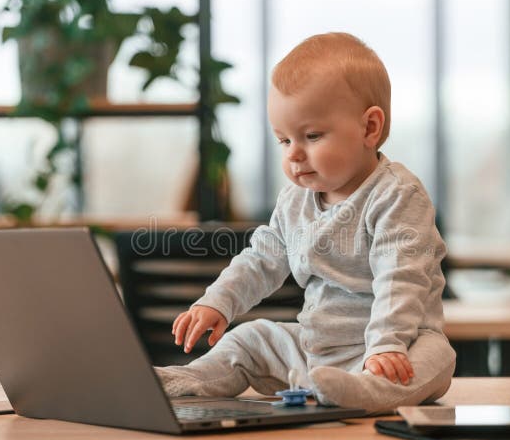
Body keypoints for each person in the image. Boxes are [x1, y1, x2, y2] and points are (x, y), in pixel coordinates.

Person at [156, 32, 455, 413]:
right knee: (251, 337)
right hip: (316, 349)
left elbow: (401, 280)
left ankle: (364, 391)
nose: (294, 155)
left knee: (435, 358)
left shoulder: (397, 195)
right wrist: (218, 302)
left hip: (397, 345)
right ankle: (190, 379)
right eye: (283, 141)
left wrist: (385, 345)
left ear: (369, 128)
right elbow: (260, 259)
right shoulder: (294, 200)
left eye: (311, 136)